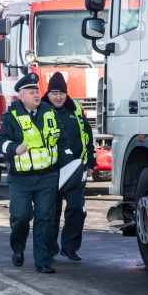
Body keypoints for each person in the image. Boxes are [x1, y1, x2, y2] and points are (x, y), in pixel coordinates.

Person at [0, 72, 74, 273]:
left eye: (37, 91)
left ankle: (43, 261)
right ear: (21, 96)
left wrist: (72, 164)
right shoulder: (10, 116)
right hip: (21, 179)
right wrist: (13, 148)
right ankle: (18, 248)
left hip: (47, 176)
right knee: (21, 217)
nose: (37, 95)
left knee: (45, 219)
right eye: (31, 92)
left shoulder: (49, 112)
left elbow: (61, 140)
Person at [41, 72, 95, 262]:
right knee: (51, 213)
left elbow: (87, 135)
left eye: (61, 93)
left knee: (77, 209)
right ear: (47, 94)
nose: (58, 97)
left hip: (75, 169)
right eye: (54, 92)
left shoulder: (76, 109)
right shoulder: (41, 110)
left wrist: (91, 161)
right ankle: (50, 250)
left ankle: (70, 247)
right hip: (51, 170)